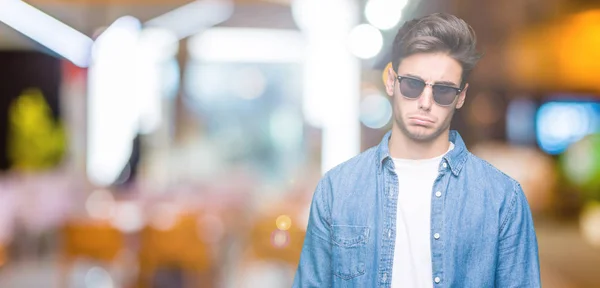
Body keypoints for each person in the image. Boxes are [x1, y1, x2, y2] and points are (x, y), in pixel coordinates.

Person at [293, 12, 541, 287]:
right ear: (391, 80)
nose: (425, 102)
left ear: (461, 97)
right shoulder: (336, 189)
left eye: (443, 91)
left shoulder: (502, 198)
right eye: (413, 84)